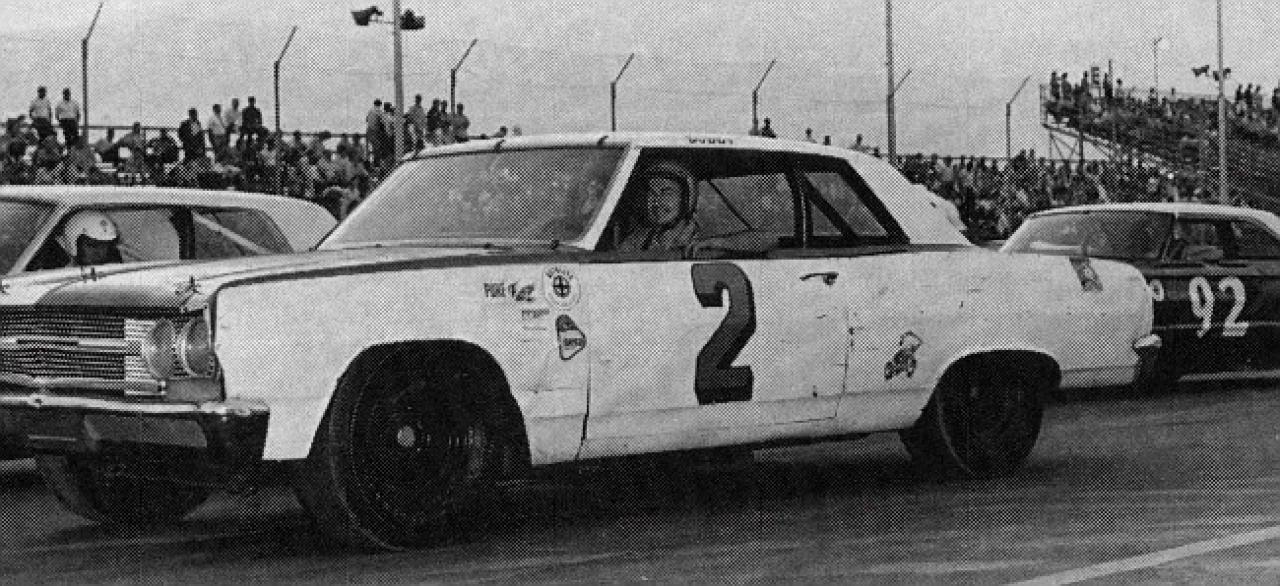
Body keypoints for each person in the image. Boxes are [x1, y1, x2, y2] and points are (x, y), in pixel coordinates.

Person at [615, 161, 700, 252]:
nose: (656, 202)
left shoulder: (700, 239)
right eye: (652, 193)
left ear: (685, 200)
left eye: (667, 194)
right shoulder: (640, 237)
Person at [55, 210, 122, 268]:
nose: (99, 253)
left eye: (104, 246)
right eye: (92, 245)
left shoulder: (117, 271)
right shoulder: (60, 276)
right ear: (74, 244)